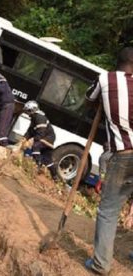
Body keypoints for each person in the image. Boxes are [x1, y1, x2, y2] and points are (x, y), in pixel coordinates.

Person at [84, 47, 133, 275]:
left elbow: (88, 99)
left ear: (117, 62)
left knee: (109, 211)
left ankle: (101, 264)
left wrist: (104, 106)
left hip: (124, 154)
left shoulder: (105, 78)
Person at [21, 100, 58, 181]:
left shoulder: (39, 117)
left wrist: (31, 141)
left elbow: (40, 133)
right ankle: (55, 177)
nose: (27, 113)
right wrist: (24, 138)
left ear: (32, 109)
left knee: (35, 146)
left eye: (28, 111)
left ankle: (38, 165)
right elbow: (30, 131)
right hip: (45, 138)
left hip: (47, 138)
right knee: (47, 159)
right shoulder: (34, 118)